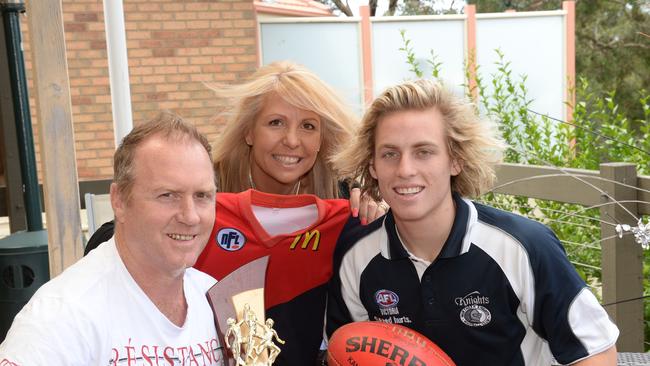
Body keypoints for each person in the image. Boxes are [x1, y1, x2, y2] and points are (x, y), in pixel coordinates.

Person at [326, 79, 619, 365]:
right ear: (373, 166)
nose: (405, 169)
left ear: (456, 160)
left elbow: (596, 353)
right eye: (390, 154)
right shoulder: (356, 256)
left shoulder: (524, 247)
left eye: (424, 152)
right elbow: (344, 350)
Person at [0, 113, 224, 365]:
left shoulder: (216, 298)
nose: (190, 216)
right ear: (118, 200)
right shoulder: (61, 317)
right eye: (168, 195)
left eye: (202, 195)